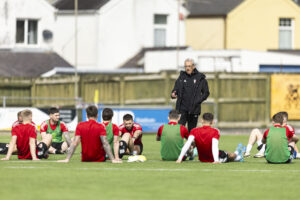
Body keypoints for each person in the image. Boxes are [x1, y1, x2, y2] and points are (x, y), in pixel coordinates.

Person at [176, 113, 244, 163]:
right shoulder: (215, 131)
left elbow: (187, 144)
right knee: (228, 154)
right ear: (212, 122)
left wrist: (179, 158)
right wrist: (216, 160)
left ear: (201, 121)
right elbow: (214, 146)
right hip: (214, 158)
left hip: (202, 159)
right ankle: (237, 155)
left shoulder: (194, 130)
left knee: (224, 152)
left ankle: (237, 153)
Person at [171, 58, 210, 132]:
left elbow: (206, 93)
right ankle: (180, 144)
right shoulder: (181, 77)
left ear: (193, 66)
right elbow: (176, 89)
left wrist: (198, 101)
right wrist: (173, 93)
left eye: (189, 66)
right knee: (179, 131)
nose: (187, 68)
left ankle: (191, 144)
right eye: (186, 66)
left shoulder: (200, 78)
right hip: (182, 109)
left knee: (192, 132)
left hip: (194, 109)